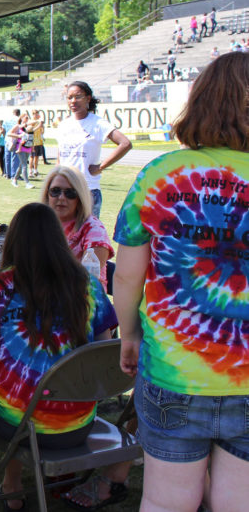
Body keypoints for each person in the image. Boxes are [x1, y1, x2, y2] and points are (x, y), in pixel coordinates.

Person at [113, 51, 249, 512]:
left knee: (167, 502)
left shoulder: (158, 175)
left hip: (173, 370)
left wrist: (128, 334)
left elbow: (127, 274)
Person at [0, 203, 127, 511]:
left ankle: (11, 485)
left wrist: (16, 368)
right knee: (22, 398)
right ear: (58, 239)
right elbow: (101, 358)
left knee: (11, 398)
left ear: (12, 241)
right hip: (76, 424)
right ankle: (27, 480)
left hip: (15, 425)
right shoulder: (88, 285)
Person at [56, 81, 131, 218]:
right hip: (64, 191)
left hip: (87, 191)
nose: (73, 101)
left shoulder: (98, 123)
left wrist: (100, 167)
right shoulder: (63, 125)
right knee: (63, 237)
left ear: (88, 98)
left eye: (78, 96)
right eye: (69, 97)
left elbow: (125, 143)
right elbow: (60, 156)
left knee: (87, 237)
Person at [40, 165, 113, 290]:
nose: (61, 197)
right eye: (55, 191)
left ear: (80, 197)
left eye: (70, 193)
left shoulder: (94, 230)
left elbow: (88, 281)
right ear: (47, 195)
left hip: (82, 301)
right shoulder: (38, 223)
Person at [8, 112, 34, 189]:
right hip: (20, 147)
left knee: (22, 164)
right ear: (22, 118)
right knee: (24, 165)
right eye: (26, 118)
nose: (27, 119)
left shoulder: (28, 126)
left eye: (27, 118)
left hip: (28, 147)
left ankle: (14, 179)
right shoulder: (18, 126)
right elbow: (9, 133)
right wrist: (19, 135)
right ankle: (27, 183)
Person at [2, 108, 21, 180]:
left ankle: (8, 174)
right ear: (19, 113)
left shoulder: (6, 119)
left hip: (7, 139)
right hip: (15, 139)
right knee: (15, 157)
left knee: (7, 156)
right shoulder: (18, 120)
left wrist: (5, 137)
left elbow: (3, 130)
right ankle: (14, 174)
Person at [29, 109, 46, 173]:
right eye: (35, 114)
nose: (36, 115)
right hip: (33, 141)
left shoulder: (39, 122)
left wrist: (42, 127)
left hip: (39, 141)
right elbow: (31, 130)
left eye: (37, 113)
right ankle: (30, 170)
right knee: (32, 156)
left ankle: (35, 169)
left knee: (37, 156)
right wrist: (39, 125)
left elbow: (42, 132)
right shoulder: (31, 122)